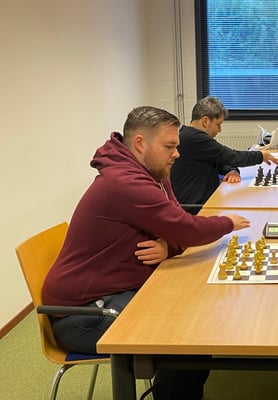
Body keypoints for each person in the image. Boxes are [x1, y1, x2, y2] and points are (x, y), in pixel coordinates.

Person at [42, 106, 250, 400]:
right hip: (84, 313)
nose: (176, 153)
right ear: (140, 143)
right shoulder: (125, 182)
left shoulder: (153, 172)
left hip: (118, 288)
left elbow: (175, 225)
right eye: (169, 146)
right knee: (186, 337)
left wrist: (169, 246)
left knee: (195, 313)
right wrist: (227, 223)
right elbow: (185, 228)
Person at [170, 96, 278, 213]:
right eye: (218, 124)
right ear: (205, 121)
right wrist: (261, 156)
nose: (219, 130)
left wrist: (232, 171)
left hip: (206, 201)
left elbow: (220, 159)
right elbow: (231, 156)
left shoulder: (192, 136)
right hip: (195, 209)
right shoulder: (194, 138)